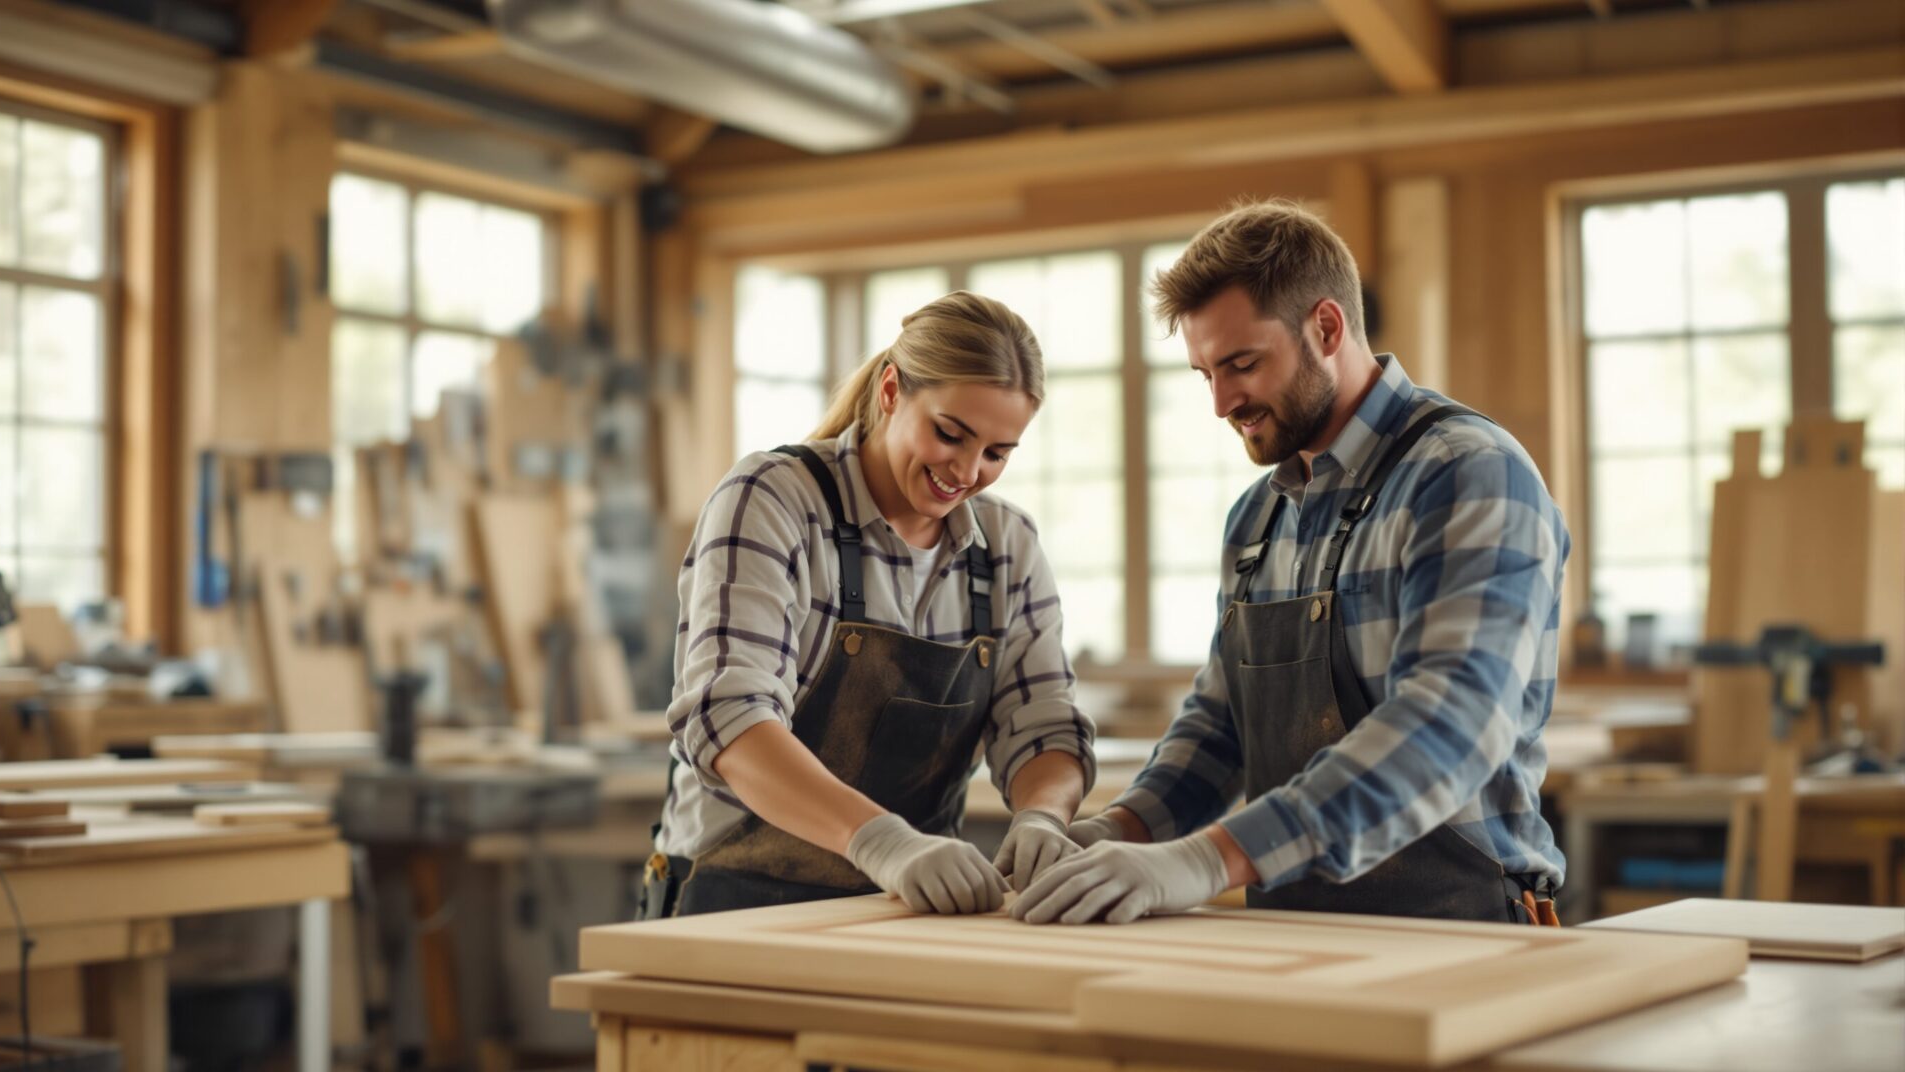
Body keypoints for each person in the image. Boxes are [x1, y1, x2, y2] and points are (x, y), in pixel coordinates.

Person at [1012, 200, 1569, 927]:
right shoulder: (1259, 515)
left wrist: (1206, 860)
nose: (1220, 403)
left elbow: (1449, 727)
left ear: (1327, 328)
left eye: (1242, 364)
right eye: (1204, 372)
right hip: (1295, 926)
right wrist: (1113, 834)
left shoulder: (1467, 473)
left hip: (1461, 926)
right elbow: (1220, 730)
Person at [639, 291, 1095, 919]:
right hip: (734, 901)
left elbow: (1041, 722)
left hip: (902, 910)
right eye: (950, 434)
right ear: (889, 391)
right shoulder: (774, 499)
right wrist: (881, 841)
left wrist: (1044, 814)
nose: (965, 471)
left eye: (996, 453)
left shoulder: (1007, 545)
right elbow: (731, 719)